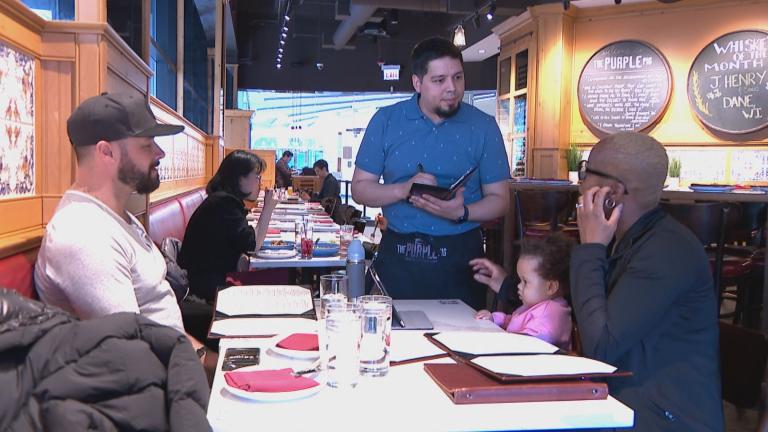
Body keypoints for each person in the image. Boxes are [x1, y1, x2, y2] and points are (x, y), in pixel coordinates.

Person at [34, 92, 211, 363]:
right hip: (151, 393)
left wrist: (209, 358)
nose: (160, 152)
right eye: (146, 144)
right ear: (106, 152)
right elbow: (132, 353)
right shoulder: (83, 233)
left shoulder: (119, 218)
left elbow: (161, 321)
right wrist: (208, 368)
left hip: (175, 372)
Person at [570, 132, 723, 430]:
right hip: (628, 397)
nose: (581, 180)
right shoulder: (631, 237)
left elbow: (600, 348)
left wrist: (591, 249)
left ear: (612, 191)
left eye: (587, 171)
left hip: (665, 416)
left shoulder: (666, 250)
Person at [352, 37, 510, 309]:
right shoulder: (386, 120)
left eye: (458, 77)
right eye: (439, 81)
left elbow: (501, 199)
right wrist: (402, 190)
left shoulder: (483, 127)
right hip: (400, 253)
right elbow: (360, 188)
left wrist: (462, 213)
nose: (452, 88)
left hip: (461, 256)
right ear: (417, 83)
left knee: (461, 343)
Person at [179, 150, 264, 302]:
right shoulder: (224, 203)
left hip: (207, 279)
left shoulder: (223, 200)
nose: (260, 183)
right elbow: (252, 244)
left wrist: (240, 256)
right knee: (273, 284)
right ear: (239, 178)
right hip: (205, 288)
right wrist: (268, 207)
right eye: (257, 177)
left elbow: (237, 243)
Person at [472, 233, 574, 350]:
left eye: (525, 281)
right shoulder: (536, 307)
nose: (519, 286)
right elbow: (512, 321)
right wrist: (494, 318)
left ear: (550, 287)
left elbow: (531, 343)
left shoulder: (553, 312)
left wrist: (499, 339)